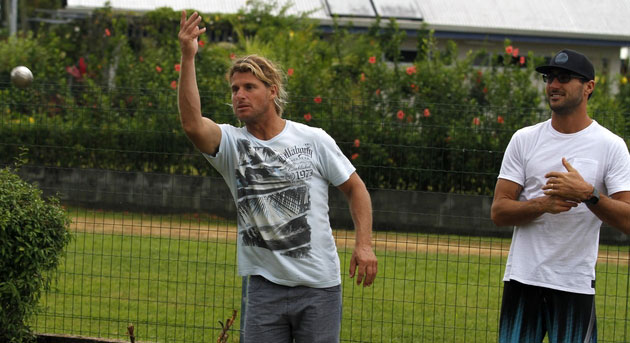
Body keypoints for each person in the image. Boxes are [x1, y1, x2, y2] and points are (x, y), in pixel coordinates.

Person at [177, 11, 378, 343]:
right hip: (263, 288)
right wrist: (188, 56)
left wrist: (365, 245)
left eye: (249, 87)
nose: (239, 94)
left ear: (272, 92)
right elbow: (192, 124)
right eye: (235, 88)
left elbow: (356, 189)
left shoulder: (313, 139)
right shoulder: (232, 144)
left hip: (319, 287)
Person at [491, 48, 630, 343]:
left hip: (574, 284)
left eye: (564, 78)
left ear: (589, 87)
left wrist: (588, 194)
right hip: (522, 280)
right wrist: (542, 204)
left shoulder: (611, 146)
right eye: (549, 77)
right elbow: (499, 212)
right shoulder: (524, 139)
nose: (554, 85)